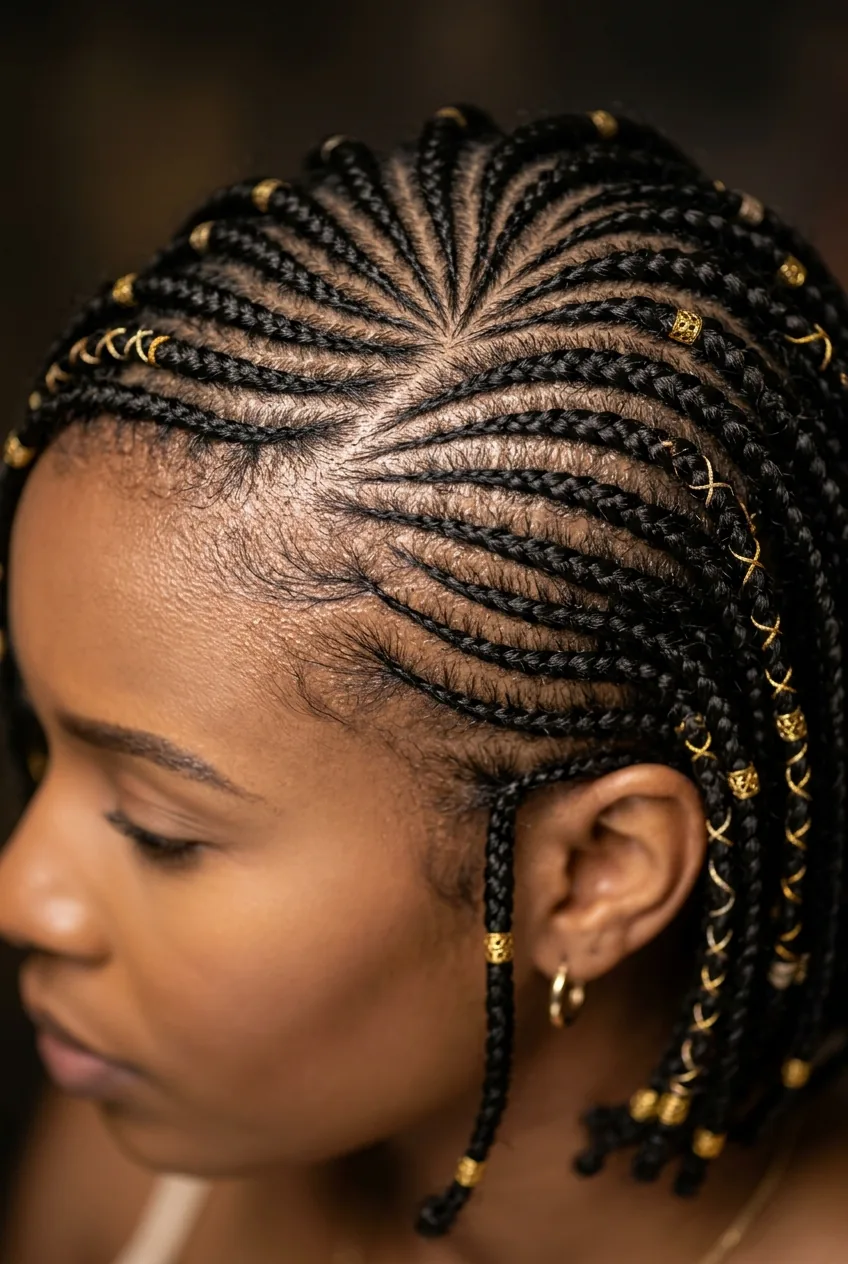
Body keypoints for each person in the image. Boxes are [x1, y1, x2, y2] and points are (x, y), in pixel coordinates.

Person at [0, 105, 845, 1264]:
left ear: (594, 873)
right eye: (40, 744)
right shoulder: (142, 1141)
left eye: (159, 832)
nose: (21, 893)